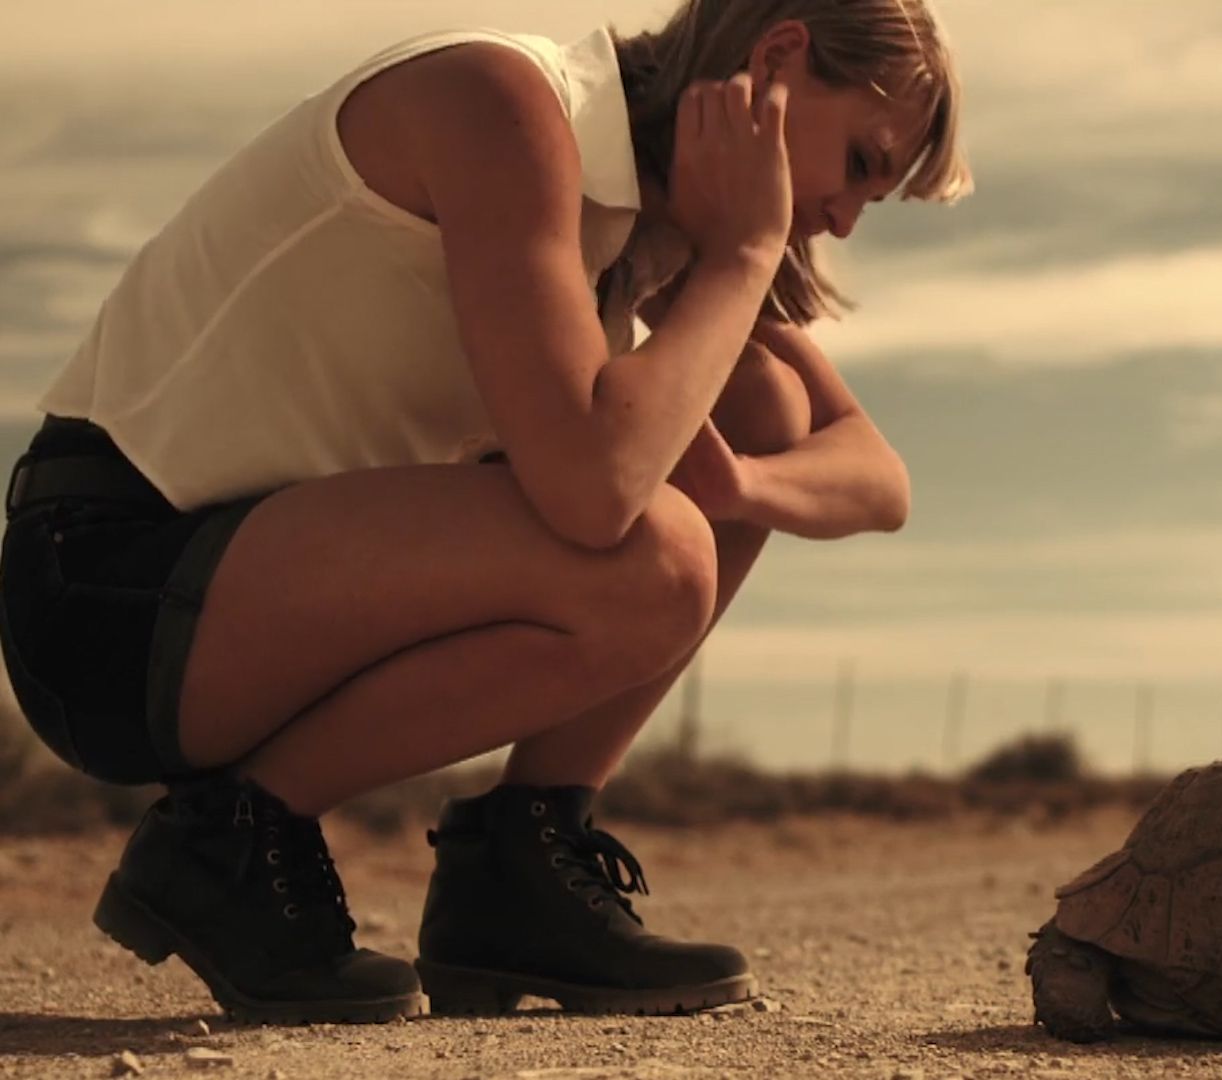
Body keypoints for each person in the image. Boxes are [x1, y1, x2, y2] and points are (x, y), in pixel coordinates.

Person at [0, 0, 970, 1024]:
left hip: (257, 599)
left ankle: (521, 860)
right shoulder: (500, 101)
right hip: (110, 594)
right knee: (656, 554)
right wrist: (738, 260)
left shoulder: (647, 239)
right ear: (778, 62)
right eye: (865, 161)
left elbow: (876, 476)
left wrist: (734, 484)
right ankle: (228, 844)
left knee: (746, 410)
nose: (850, 216)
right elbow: (594, 495)